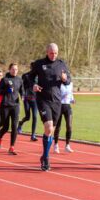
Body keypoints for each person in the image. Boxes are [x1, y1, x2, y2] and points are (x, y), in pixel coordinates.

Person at [30, 43, 71, 171]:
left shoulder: (61, 64)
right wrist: (33, 85)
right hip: (43, 99)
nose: (54, 55)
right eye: (51, 53)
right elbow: (28, 77)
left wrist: (65, 79)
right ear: (47, 52)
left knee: (51, 130)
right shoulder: (39, 63)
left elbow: (69, 80)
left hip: (57, 101)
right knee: (48, 127)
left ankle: (44, 155)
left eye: (56, 53)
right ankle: (46, 158)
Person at [0, 63, 23, 155]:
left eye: (16, 69)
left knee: (14, 126)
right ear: (9, 69)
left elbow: (22, 91)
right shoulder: (5, 80)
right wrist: (6, 90)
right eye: (13, 69)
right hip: (5, 105)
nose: (15, 71)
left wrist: (23, 96)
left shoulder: (19, 80)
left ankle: (12, 147)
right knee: (6, 127)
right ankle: (0, 137)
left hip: (15, 106)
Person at [17, 62, 38, 141]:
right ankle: (20, 123)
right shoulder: (25, 76)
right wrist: (22, 95)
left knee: (35, 117)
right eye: (33, 67)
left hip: (35, 99)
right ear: (31, 67)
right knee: (28, 117)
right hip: (27, 99)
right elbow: (21, 87)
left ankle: (33, 135)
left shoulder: (39, 77)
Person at [53, 81, 75, 153]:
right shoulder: (58, 83)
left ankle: (67, 145)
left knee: (69, 126)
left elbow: (71, 92)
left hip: (67, 106)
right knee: (58, 127)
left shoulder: (71, 83)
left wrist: (72, 99)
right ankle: (56, 145)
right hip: (59, 106)